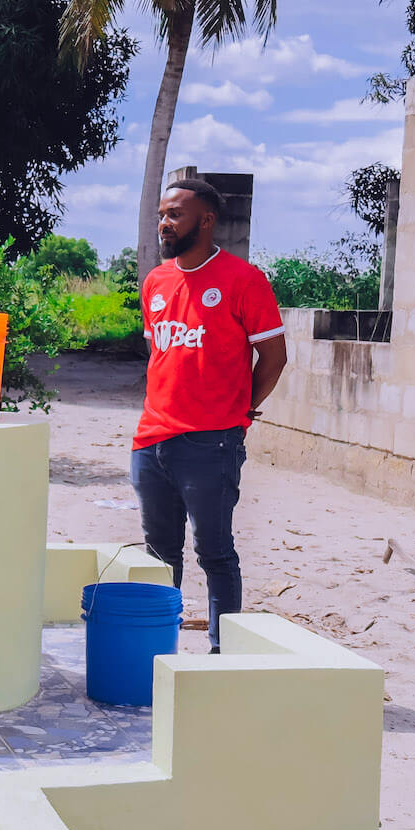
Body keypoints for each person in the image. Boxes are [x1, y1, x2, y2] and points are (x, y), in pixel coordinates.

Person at [130, 178, 288, 653]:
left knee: (214, 552)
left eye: (175, 213)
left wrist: (243, 411)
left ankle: (223, 653)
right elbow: (159, 356)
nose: (165, 222)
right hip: (150, 442)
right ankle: (160, 649)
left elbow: (274, 358)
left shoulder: (244, 280)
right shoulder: (156, 282)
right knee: (160, 556)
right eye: (162, 214)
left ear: (207, 220)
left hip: (210, 442)